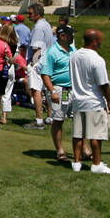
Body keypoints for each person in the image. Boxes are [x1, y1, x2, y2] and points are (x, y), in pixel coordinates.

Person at [69, 29, 110, 174]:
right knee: (96, 135)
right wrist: (109, 101)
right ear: (95, 41)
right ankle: (96, 164)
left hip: (78, 100)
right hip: (93, 101)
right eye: (100, 40)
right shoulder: (97, 59)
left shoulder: (74, 55)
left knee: (78, 133)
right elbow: (103, 84)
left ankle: (76, 163)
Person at [39, 24, 75, 162]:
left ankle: (83, 148)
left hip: (72, 89)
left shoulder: (72, 49)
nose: (73, 37)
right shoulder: (52, 52)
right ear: (62, 36)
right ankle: (60, 150)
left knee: (78, 119)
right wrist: (52, 91)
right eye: (70, 35)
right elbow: (45, 74)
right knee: (58, 120)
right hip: (59, 89)